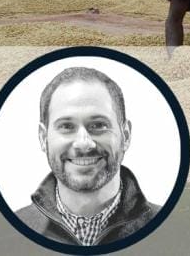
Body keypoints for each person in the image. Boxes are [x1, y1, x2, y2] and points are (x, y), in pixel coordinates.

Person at [15, 67, 159, 247]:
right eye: (67, 126)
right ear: (43, 138)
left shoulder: (171, 230)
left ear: (126, 135)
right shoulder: (7, 235)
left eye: (98, 125)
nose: (83, 143)